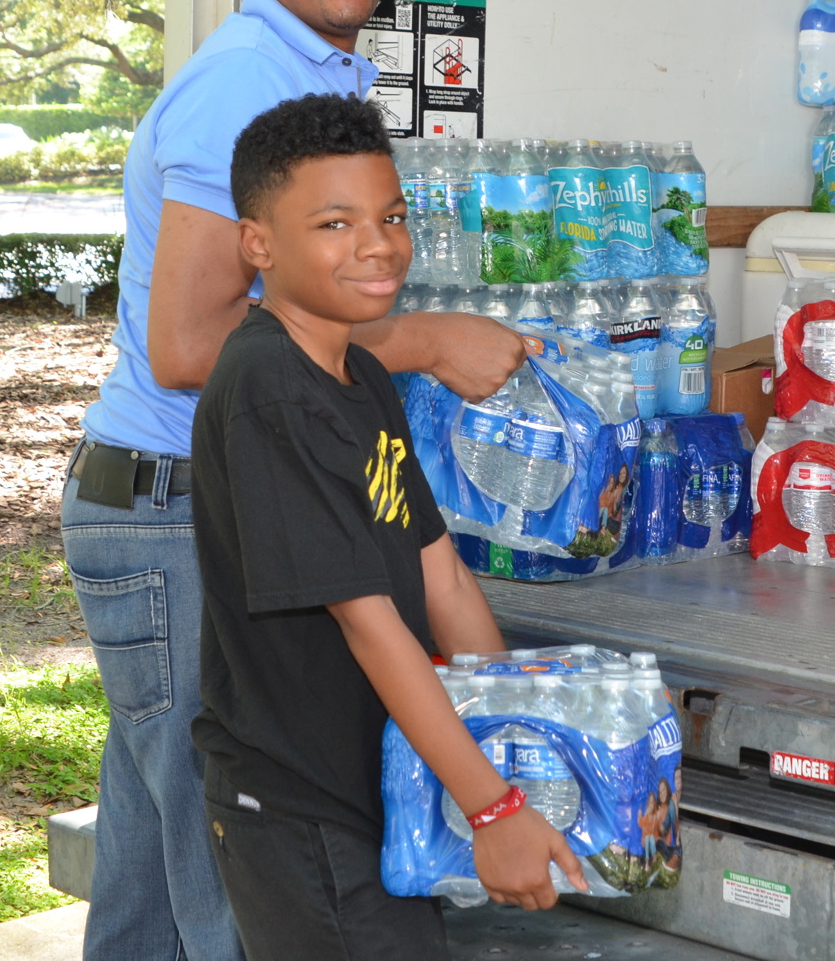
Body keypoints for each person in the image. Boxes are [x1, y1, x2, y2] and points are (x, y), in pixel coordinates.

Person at [62, 0, 522, 960]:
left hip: (172, 503)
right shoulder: (244, 85)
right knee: (237, 877)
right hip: (180, 508)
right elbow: (187, 343)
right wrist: (416, 343)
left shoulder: (313, 73)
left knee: (149, 866)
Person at [191, 94, 584, 959]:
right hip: (304, 810)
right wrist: (491, 807)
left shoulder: (357, 374)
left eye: (392, 215)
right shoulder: (269, 389)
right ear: (258, 245)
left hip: (376, 786)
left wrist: (507, 734)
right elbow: (369, 625)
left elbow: (440, 574)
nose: (378, 244)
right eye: (335, 223)